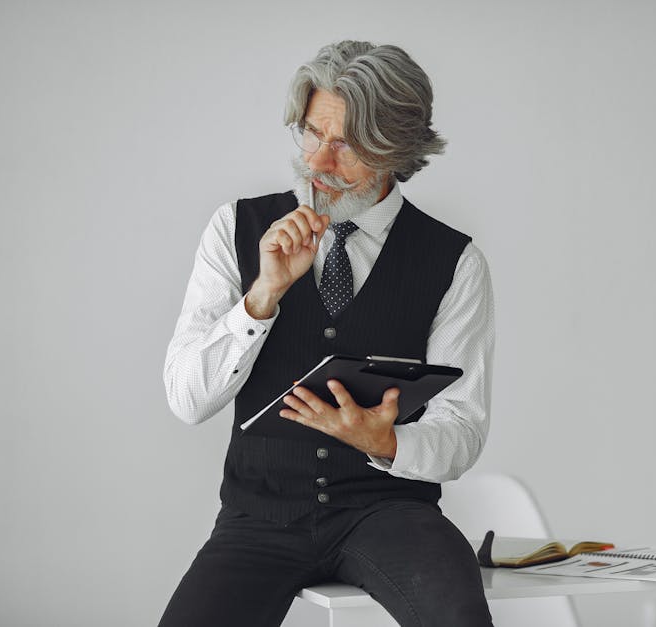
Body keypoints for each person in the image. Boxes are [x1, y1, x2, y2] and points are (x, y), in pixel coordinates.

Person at [159, 40, 495, 627]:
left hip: (390, 513)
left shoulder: (456, 262)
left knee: (459, 617)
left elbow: (461, 430)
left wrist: (385, 442)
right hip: (258, 518)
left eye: (344, 144)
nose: (317, 161)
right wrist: (261, 298)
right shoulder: (234, 229)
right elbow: (187, 400)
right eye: (312, 133)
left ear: (396, 149)